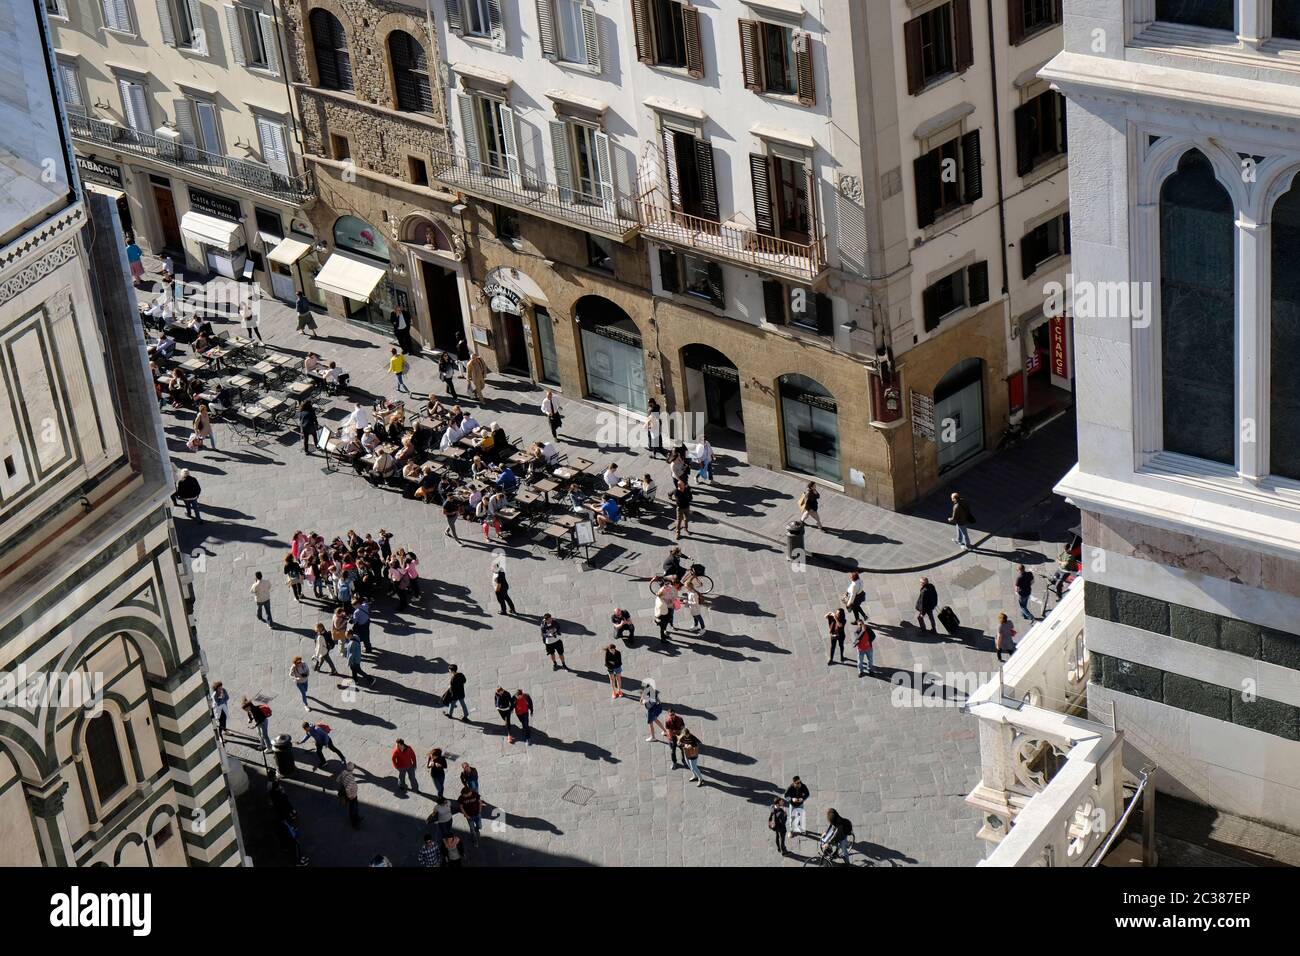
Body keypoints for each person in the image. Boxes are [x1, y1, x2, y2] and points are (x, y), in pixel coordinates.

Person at [336, 762, 361, 828]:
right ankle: (354, 823)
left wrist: (343, 782)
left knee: (355, 807)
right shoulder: (351, 777)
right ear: (352, 769)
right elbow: (348, 788)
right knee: (353, 808)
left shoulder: (343, 772)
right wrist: (350, 796)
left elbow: (337, 780)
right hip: (352, 795)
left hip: (349, 794)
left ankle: (357, 817)